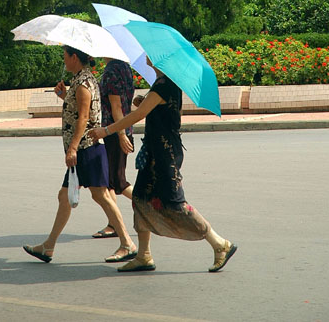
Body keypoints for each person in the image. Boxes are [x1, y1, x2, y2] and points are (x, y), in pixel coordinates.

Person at [88, 58, 237, 273]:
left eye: (150, 53)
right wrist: (146, 102)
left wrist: (108, 130)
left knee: (175, 203)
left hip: (164, 155)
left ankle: (219, 243)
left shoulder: (163, 85)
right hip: (156, 152)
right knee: (140, 198)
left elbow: (137, 116)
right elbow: (163, 112)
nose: (147, 56)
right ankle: (144, 255)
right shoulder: (166, 85)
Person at [23, 45, 137, 264]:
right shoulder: (82, 80)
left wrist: (73, 148)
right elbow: (79, 108)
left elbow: (84, 117)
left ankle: (127, 243)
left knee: (101, 195)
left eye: (65, 56)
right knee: (64, 196)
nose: (64, 60)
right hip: (85, 147)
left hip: (87, 148)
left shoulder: (84, 82)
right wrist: (65, 95)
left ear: (75, 57)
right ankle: (48, 246)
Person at [92, 58, 135, 239]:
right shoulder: (125, 67)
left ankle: (152, 205)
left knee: (118, 182)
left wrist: (121, 135)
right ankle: (113, 223)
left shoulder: (110, 71)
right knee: (110, 181)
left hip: (113, 132)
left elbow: (116, 105)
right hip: (120, 129)